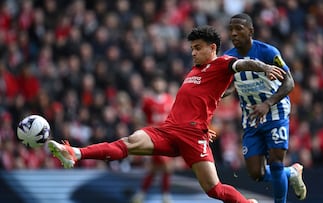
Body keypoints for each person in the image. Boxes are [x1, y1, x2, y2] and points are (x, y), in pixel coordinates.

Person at [48, 25, 286, 203]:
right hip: (169, 129)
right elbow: (200, 100)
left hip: (192, 136)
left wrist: (264, 67)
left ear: (212, 48)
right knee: (128, 142)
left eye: (198, 48)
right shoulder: (195, 70)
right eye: (191, 48)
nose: (193, 53)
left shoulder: (223, 63)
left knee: (213, 189)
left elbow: (242, 65)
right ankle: (75, 153)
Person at [223, 13, 307, 202]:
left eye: (239, 29)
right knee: (256, 173)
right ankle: (291, 173)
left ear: (251, 31)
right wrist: (220, 94)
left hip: (275, 111)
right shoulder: (228, 57)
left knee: (276, 163)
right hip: (251, 116)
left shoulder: (268, 52)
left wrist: (267, 103)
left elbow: (289, 83)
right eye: (231, 30)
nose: (234, 34)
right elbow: (229, 86)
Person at [132, 75, 175, 203]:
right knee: (166, 166)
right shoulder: (147, 101)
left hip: (168, 137)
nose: (158, 84)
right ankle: (165, 196)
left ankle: (141, 194)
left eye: (160, 81)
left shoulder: (170, 99)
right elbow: (138, 116)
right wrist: (145, 129)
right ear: (153, 84)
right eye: (156, 81)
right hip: (154, 137)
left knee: (155, 168)